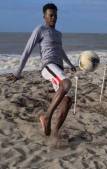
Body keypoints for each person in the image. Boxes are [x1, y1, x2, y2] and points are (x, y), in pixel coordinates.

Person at [7, 3, 76, 137]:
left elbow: (60, 50)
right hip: (48, 66)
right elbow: (27, 50)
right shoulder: (40, 29)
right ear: (44, 16)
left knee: (67, 102)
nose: (53, 18)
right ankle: (46, 116)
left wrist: (70, 64)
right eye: (50, 15)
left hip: (58, 69)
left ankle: (54, 133)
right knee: (67, 83)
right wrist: (18, 72)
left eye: (55, 15)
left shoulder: (58, 34)